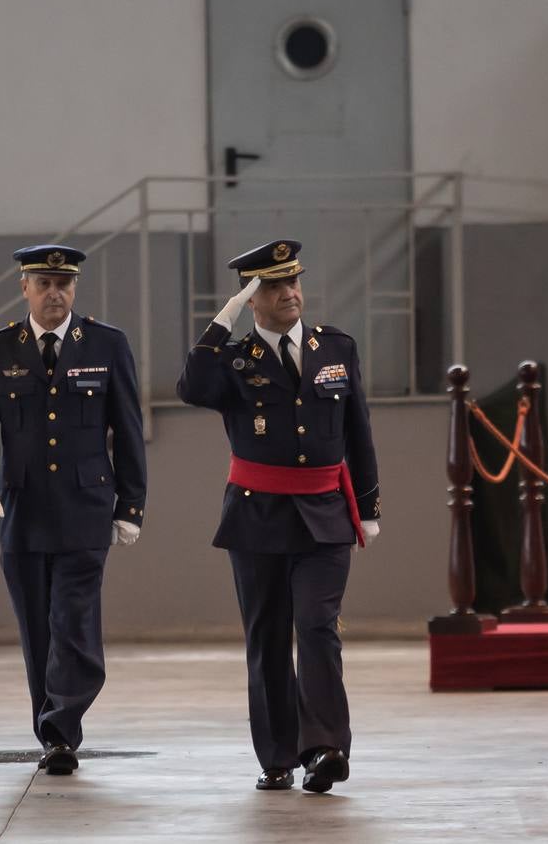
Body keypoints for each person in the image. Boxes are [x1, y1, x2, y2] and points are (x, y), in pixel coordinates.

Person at [176, 239, 380, 794]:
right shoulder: (234, 360)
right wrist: (223, 319)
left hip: (326, 513)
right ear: (252, 296)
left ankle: (327, 748)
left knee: (316, 627)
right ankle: (278, 756)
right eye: (271, 286)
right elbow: (191, 386)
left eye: (293, 282)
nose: (289, 293)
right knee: (267, 635)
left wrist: (369, 504)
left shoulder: (334, 347)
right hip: (257, 516)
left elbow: (357, 431)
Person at [0, 244, 147, 775]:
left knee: (74, 623)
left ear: (75, 287)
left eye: (64, 283)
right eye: (43, 283)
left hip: (86, 509)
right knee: (37, 630)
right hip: (23, 511)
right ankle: (52, 731)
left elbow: (128, 431)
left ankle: (63, 727)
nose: (54, 292)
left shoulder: (107, 344)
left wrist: (131, 505)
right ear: (25, 288)